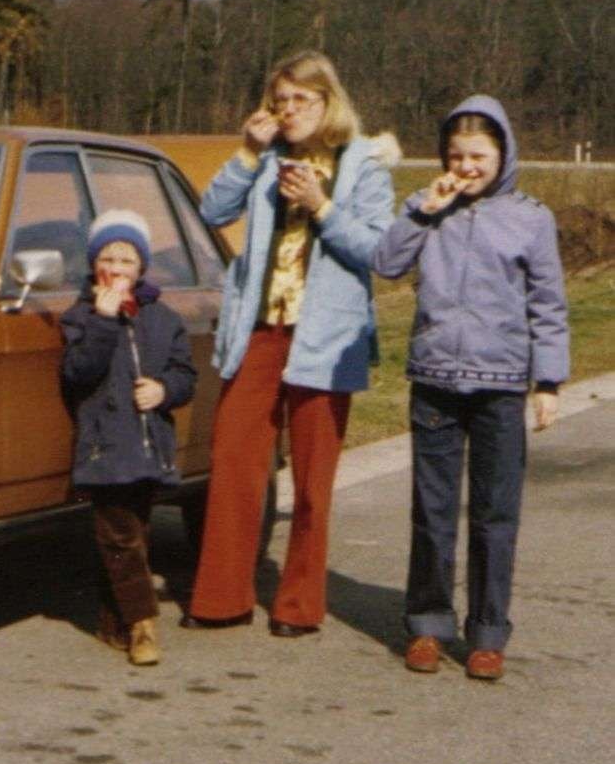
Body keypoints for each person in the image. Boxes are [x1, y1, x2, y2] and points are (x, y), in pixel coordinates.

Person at [184, 50, 397, 636]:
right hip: (258, 329)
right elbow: (211, 210)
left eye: (301, 99)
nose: (288, 110)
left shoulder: (364, 165)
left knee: (311, 480)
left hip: (325, 338)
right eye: (279, 100)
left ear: (328, 102)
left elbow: (379, 253)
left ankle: (300, 605)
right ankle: (221, 597)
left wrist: (322, 207)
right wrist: (249, 153)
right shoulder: (268, 157)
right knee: (233, 463)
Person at [373, 95, 568, 681]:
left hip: (502, 386)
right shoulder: (428, 205)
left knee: (494, 514)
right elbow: (384, 263)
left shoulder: (531, 218)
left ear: (503, 154)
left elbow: (549, 307)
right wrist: (424, 211)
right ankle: (428, 623)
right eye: (455, 154)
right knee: (431, 512)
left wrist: (549, 382)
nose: (466, 167)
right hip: (435, 381)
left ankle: (487, 632)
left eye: (478, 155)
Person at [61, 209, 196, 666]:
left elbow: (185, 374)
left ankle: (112, 620)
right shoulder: (80, 315)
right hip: (106, 443)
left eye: (127, 261)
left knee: (130, 533)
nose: (117, 270)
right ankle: (143, 625)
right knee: (120, 535)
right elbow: (79, 372)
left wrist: (165, 390)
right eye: (108, 259)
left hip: (148, 441)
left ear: (141, 269)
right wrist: (101, 320)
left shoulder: (163, 317)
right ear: (94, 265)